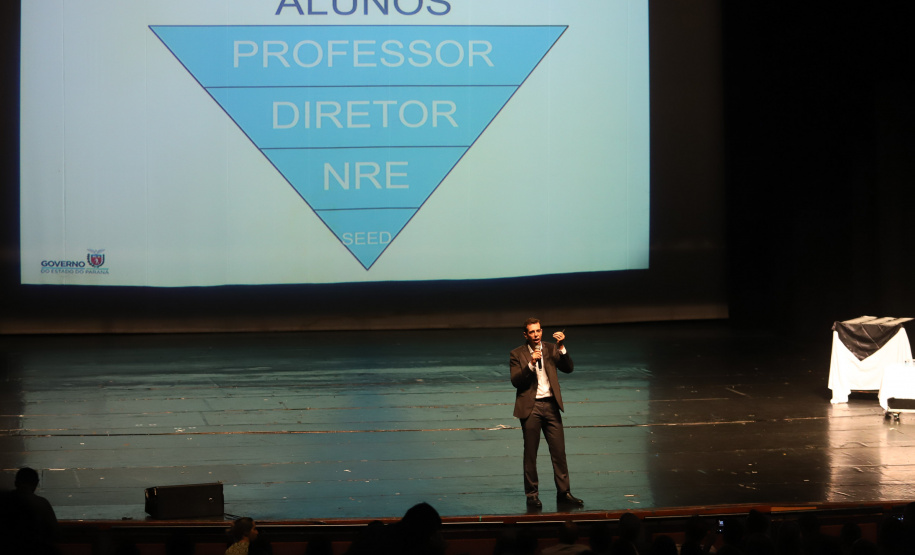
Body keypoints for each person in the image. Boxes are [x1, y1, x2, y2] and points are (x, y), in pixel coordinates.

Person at [509, 317, 582, 508]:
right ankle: (532, 495)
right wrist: (531, 364)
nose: (536, 335)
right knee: (531, 454)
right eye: (532, 332)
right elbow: (516, 381)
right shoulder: (517, 354)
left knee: (559, 452)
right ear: (526, 334)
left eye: (539, 331)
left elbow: (568, 368)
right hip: (531, 408)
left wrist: (562, 347)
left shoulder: (550, 348)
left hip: (551, 405)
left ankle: (563, 493)